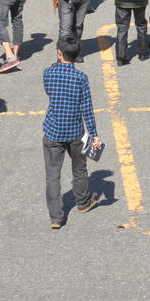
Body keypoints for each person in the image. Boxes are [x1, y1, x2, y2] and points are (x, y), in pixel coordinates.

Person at [41, 37, 104, 229]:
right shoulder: (81, 78)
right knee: (79, 169)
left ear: (59, 53)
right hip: (75, 131)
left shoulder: (48, 73)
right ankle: (83, 202)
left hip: (53, 130)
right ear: (77, 56)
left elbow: (49, 93)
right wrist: (93, 134)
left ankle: (56, 217)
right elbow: (87, 108)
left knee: (52, 175)